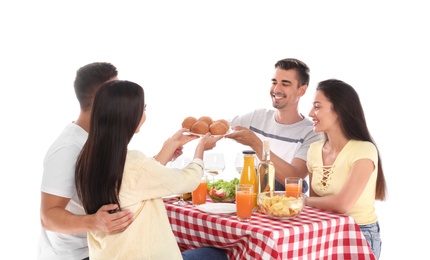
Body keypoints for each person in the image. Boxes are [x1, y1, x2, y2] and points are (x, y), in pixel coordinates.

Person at [75, 80, 228, 260]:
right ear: (130, 115)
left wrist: (169, 147)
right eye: (144, 109)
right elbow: (190, 181)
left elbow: (137, 182)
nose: (145, 115)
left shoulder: (88, 159)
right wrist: (200, 149)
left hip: (110, 254)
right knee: (217, 254)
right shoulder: (133, 163)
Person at [38, 62, 134, 260]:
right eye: (113, 92)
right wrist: (94, 222)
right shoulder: (68, 148)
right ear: (100, 99)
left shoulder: (99, 137)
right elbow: (48, 216)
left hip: (101, 248)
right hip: (75, 256)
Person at [305, 79, 387, 259]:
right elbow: (316, 206)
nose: (311, 113)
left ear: (339, 111)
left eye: (317, 107)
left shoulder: (363, 150)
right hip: (327, 233)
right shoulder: (314, 151)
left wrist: (302, 200)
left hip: (359, 234)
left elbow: (342, 204)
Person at [226, 58, 323, 192]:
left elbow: (294, 179)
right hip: (252, 199)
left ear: (301, 90)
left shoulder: (312, 133)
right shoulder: (257, 117)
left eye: (285, 84)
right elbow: (220, 128)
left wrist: (255, 143)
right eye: (274, 82)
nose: (276, 89)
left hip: (283, 206)